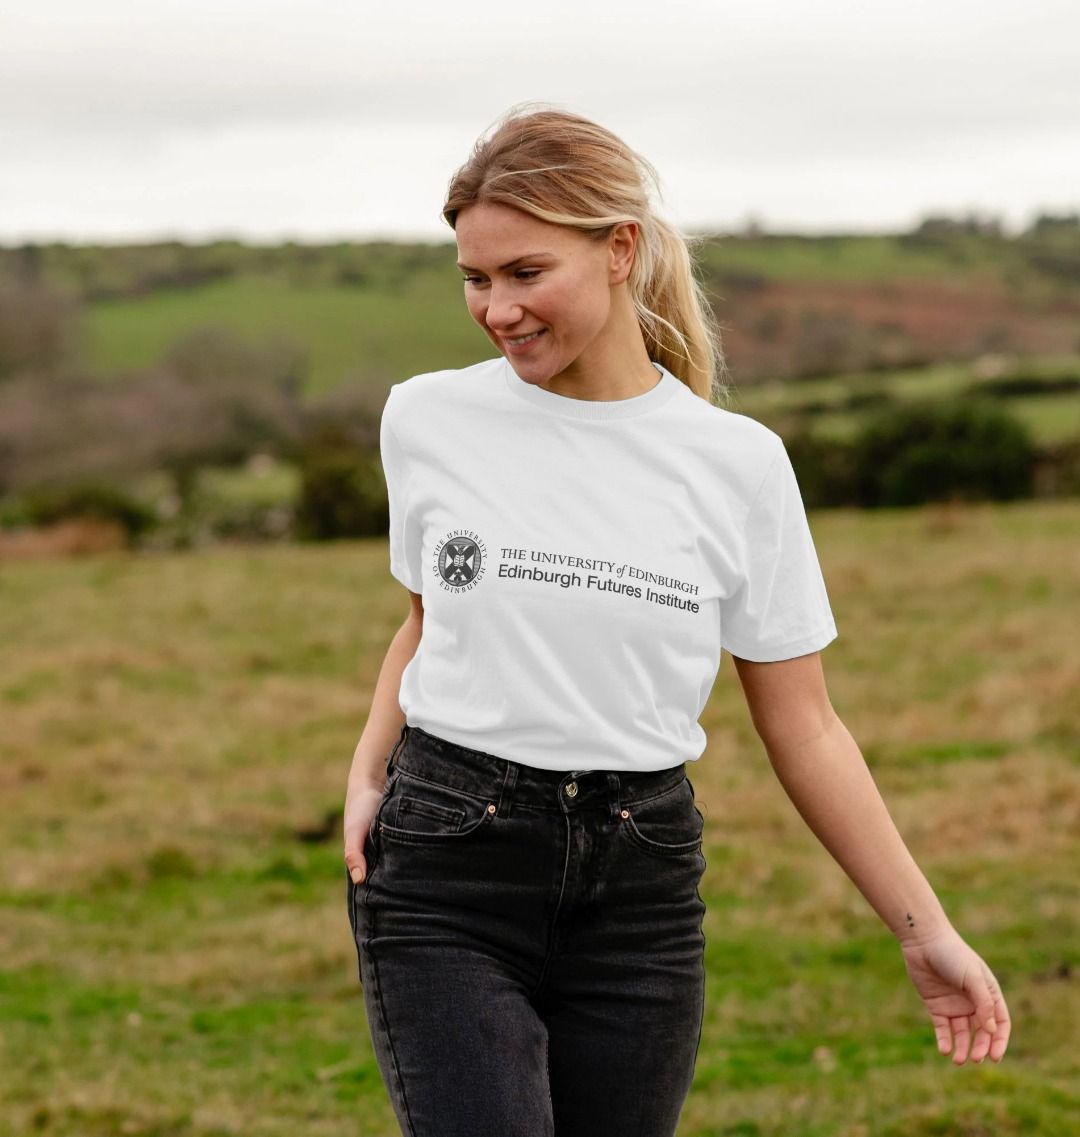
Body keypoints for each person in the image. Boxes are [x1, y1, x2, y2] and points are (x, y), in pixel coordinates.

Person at [343, 105, 1011, 1137]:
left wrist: (924, 929)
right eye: (476, 279)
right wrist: (368, 772)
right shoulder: (427, 417)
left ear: (620, 251)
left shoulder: (737, 466)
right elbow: (430, 620)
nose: (497, 309)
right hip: (448, 871)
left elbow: (808, 726)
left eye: (526, 273)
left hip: (638, 892)